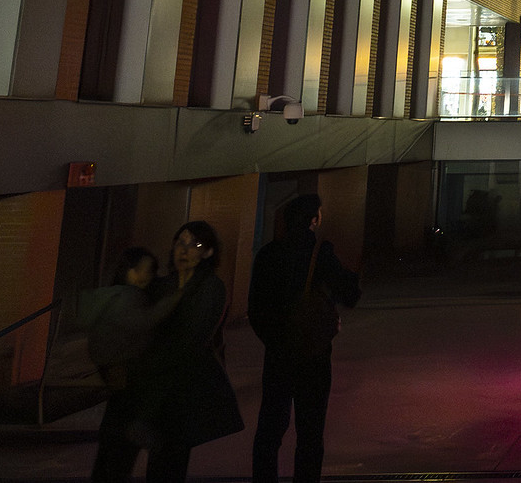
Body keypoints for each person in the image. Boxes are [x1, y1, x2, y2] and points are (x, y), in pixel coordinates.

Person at [92, 222, 244, 483]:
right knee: (113, 459)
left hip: (176, 392)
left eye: (195, 244)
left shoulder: (210, 288)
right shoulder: (161, 285)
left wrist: (140, 363)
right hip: (138, 388)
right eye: (180, 242)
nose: (184, 249)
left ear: (208, 252)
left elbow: (189, 340)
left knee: (167, 464)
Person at [248, 195, 361, 483]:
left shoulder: (268, 254)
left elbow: (256, 310)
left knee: (270, 430)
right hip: (313, 356)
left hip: (278, 357)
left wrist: (276, 340)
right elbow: (350, 294)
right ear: (314, 219)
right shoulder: (320, 253)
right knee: (310, 434)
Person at [81, 247, 177, 390]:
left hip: (114, 359)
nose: (144, 275)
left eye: (149, 271)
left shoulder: (129, 294)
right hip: (115, 360)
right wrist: (174, 299)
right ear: (127, 269)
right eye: (139, 269)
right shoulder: (124, 297)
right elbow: (143, 321)